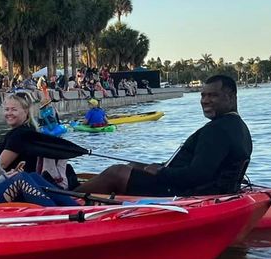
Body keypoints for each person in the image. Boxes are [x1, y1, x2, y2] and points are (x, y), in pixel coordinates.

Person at [77, 74, 252, 197]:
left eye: (213, 95)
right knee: (133, 165)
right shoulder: (238, 127)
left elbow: (198, 175)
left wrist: (161, 173)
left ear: (231, 97)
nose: (205, 100)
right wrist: (158, 168)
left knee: (117, 172)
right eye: (203, 95)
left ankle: (68, 197)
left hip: (182, 192)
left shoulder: (218, 130)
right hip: (194, 185)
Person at [0, 92, 76, 190]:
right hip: (29, 180)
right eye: (6, 109)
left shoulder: (19, 135)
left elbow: (1, 164)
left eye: (14, 110)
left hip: (20, 185)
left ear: (26, 111)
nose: (9, 113)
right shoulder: (31, 129)